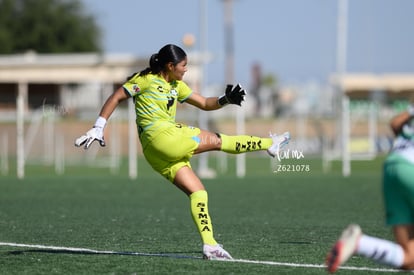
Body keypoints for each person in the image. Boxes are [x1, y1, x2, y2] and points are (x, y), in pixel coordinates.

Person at [75, 44, 290, 260]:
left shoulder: (177, 85)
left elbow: (205, 103)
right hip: (163, 137)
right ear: (170, 66)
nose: (186, 69)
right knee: (217, 140)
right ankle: (269, 145)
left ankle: (210, 245)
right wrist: (98, 126)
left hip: (155, 153)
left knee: (199, 193)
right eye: (183, 65)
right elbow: (116, 97)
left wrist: (226, 100)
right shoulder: (145, 80)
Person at [326, 105, 414, 272]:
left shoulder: (408, 125)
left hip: (392, 167)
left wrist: (411, 111)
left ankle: (360, 243)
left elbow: (395, 123)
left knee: (409, 258)